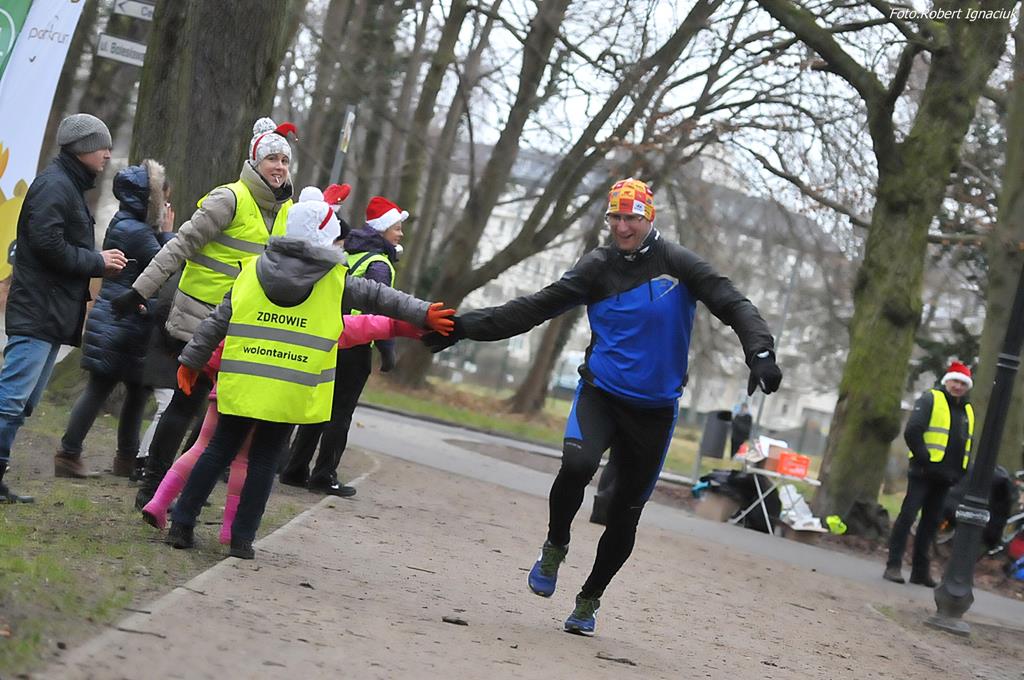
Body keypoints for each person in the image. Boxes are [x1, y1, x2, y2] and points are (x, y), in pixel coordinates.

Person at [423, 178, 781, 636]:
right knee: (577, 464)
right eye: (616, 217)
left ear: (650, 218)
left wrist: (760, 353)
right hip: (602, 393)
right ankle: (555, 546)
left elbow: (734, 304)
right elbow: (532, 309)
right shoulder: (596, 267)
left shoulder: (678, 263)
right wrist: (464, 327)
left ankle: (589, 598)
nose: (623, 227)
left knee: (624, 512)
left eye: (632, 218)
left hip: (654, 410)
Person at [166, 189, 454, 559]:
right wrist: (424, 312)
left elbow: (217, 321)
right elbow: (382, 298)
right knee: (264, 460)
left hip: (243, 381)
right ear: (324, 238)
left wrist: (191, 361)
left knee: (217, 451)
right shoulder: (336, 281)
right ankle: (242, 540)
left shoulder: (252, 270)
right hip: (290, 388)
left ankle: (182, 523)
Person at [112, 117, 296, 510]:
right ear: (255, 162)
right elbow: (179, 246)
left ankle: (181, 484)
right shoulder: (228, 199)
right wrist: (140, 289)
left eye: (284, 160)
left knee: (219, 416)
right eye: (272, 159)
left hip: (242, 329)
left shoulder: (287, 212)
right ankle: (152, 484)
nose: (279, 167)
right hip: (196, 321)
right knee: (185, 405)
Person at [141, 312, 427, 542]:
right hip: (271, 396)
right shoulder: (318, 313)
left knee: (202, 448)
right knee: (243, 461)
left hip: (232, 386)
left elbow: (225, 327)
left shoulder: (257, 294)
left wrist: (209, 366)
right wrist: (404, 325)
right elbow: (360, 326)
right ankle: (229, 531)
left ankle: (159, 502)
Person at [0, 113, 127, 501]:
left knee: (23, 404)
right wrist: (96, 262)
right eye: (102, 146)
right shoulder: (56, 185)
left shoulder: (68, 185)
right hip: (38, 310)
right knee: (10, 400)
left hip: (50, 312)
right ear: (83, 148)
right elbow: (47, 244)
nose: (107, 154)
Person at [280, 195, 408, 497]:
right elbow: (380, 310)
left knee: (319, 407)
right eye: (397, 228)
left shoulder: (349, 252)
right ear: (382, 229)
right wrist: (387, 351)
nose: (401, 234)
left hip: (329, 338)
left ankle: (295, 468)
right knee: (341, 414)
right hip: (355, 344)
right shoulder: (379, 264)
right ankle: (324, 475)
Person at [58, 160, 175, 477]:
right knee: (100, 388)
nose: (166, 206)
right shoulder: (135, 230)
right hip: (120, 323)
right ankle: (68, 454)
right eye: (162, 200)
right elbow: (165, 263)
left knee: (137, 391)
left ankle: (125, 458)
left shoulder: (128, 224)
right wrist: (167, 232)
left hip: (126, 322)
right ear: (149, 200)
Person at [884, 361, 974, 587]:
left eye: (963, 383)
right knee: (907, 517)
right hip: (923, 472)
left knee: (931, 524)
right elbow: (913, 431)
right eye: (955, 381)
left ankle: (920, 571)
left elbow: (967, 443)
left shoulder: (968, 410)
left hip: (946, 477)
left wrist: (961, 471)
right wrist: (924, 458)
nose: (958, 387)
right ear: (947, 381)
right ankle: (893, 565)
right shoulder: (931, 399)